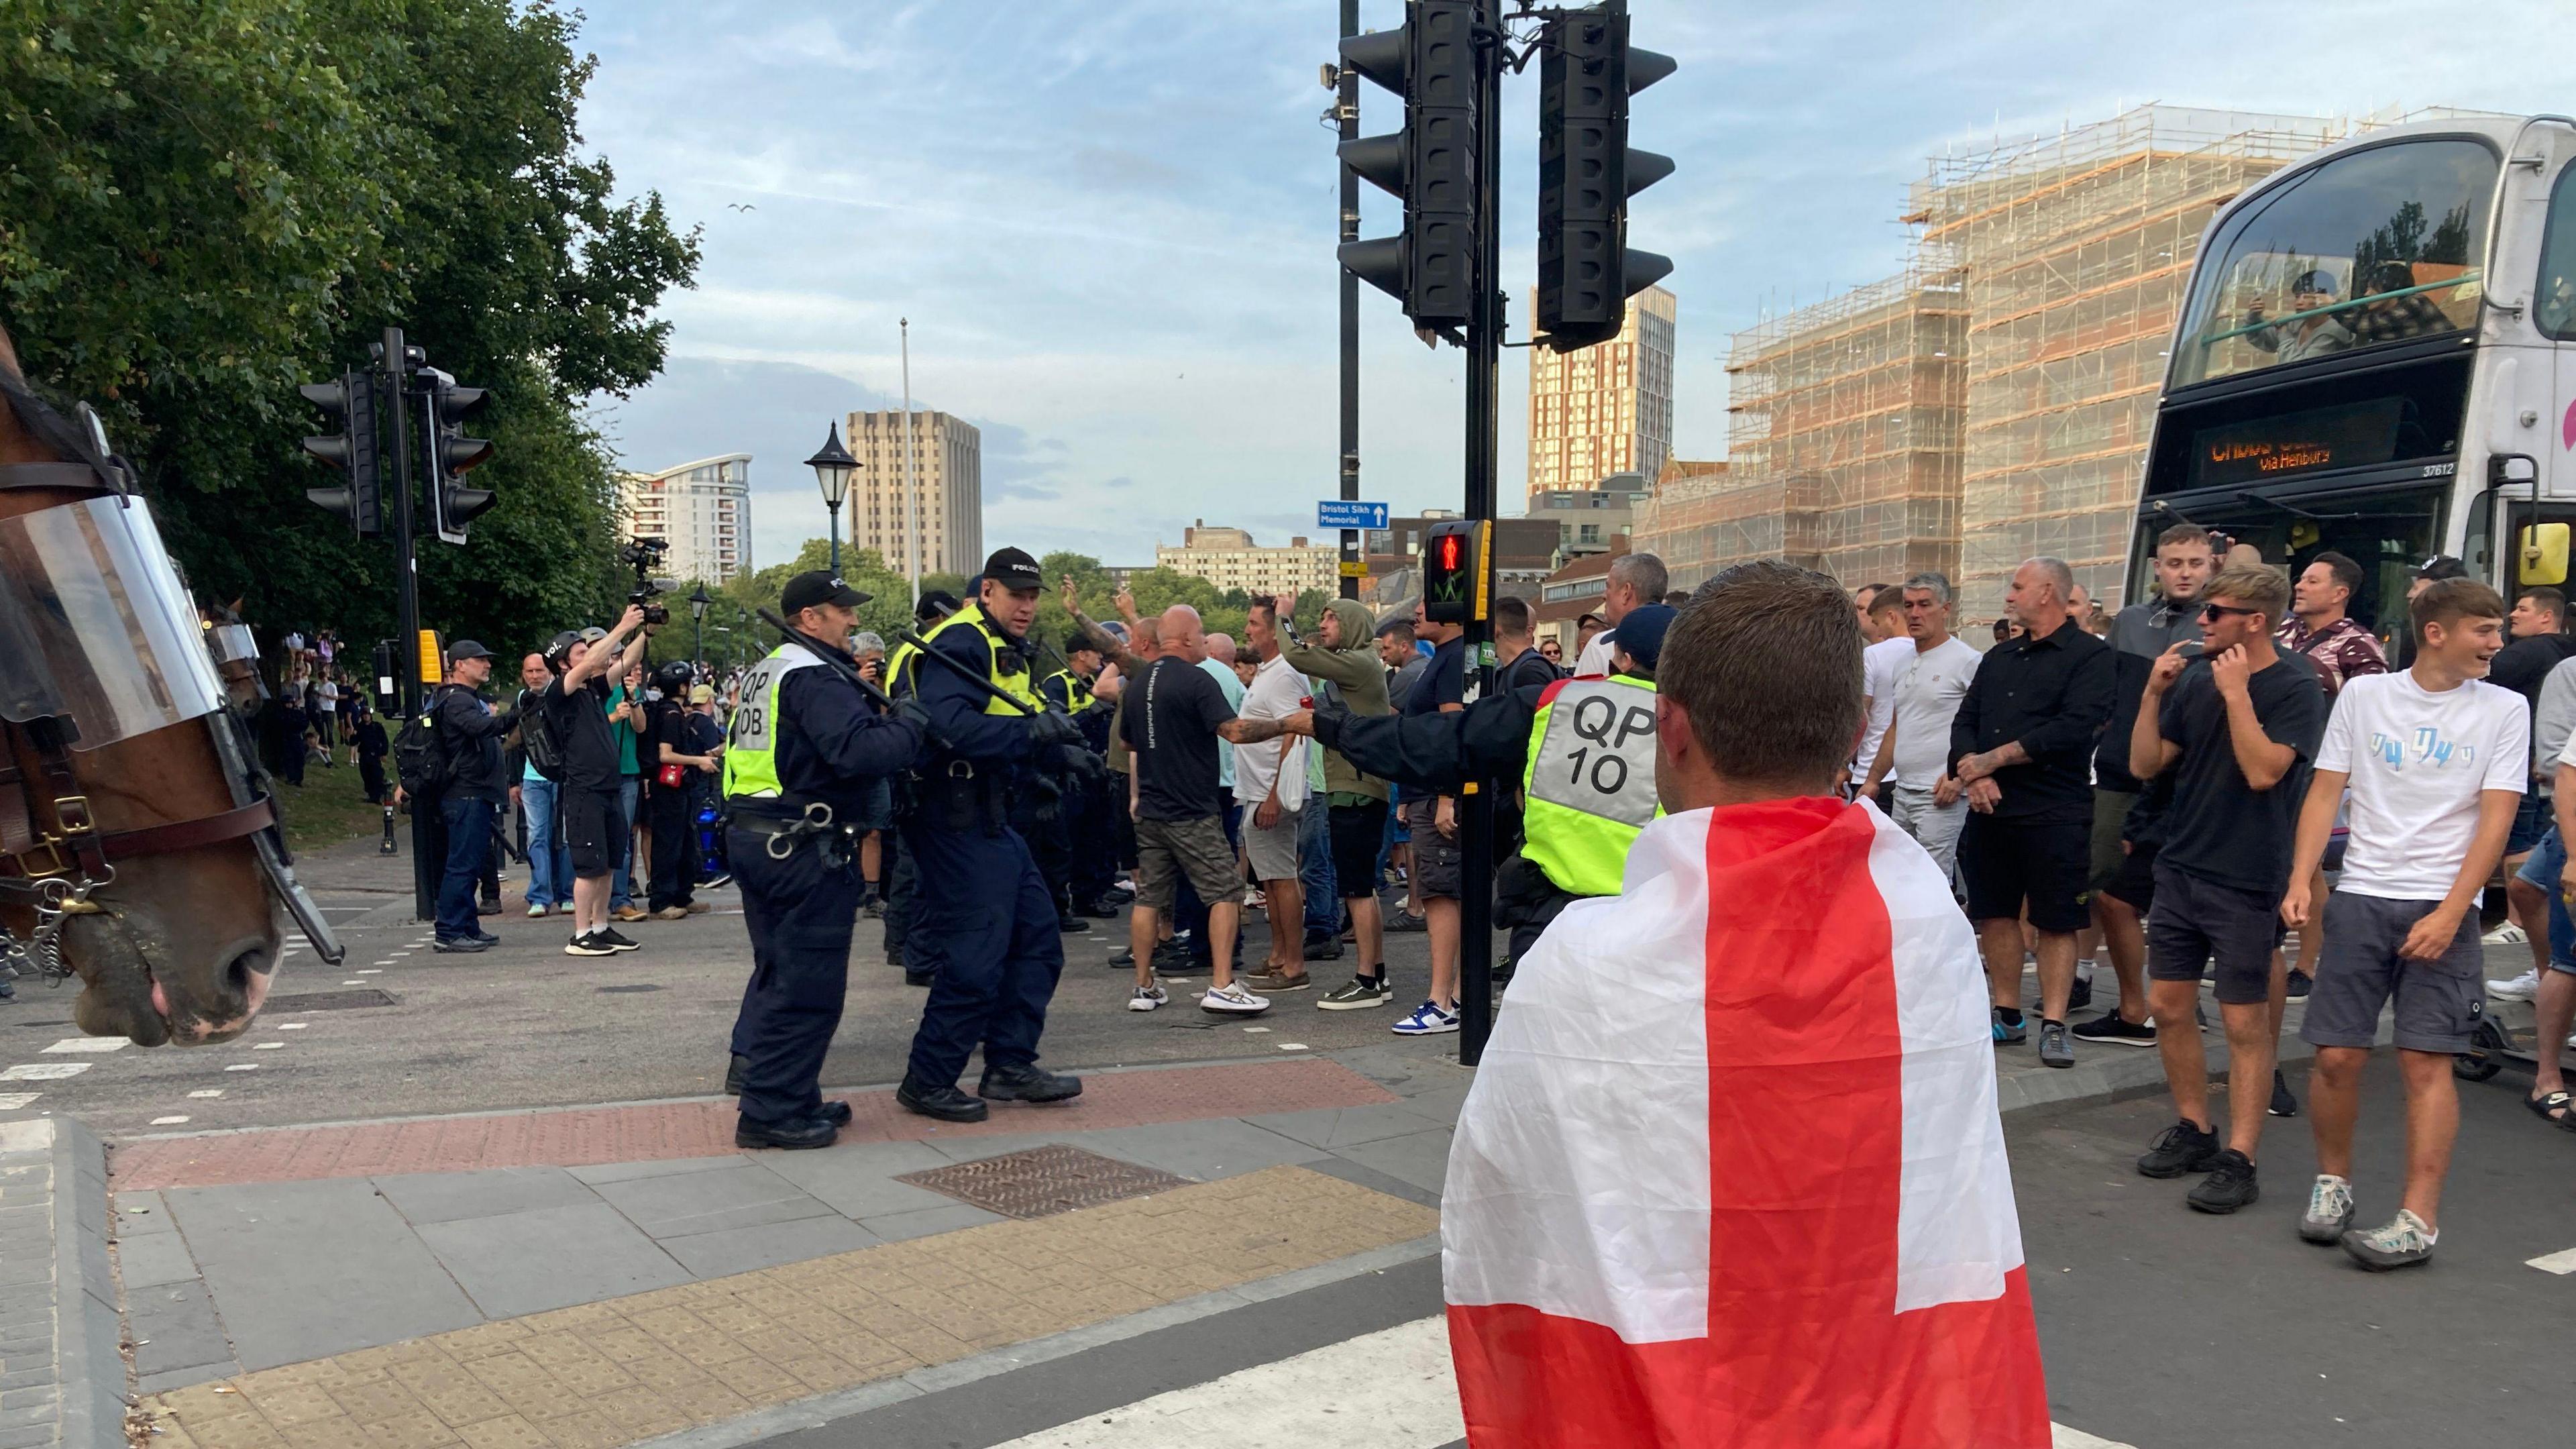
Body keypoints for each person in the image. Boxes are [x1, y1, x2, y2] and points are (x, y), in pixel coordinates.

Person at [1440, 561, 2049, 1447]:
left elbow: (1512, 1211)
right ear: (1852, 733)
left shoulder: (1578, 964)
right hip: (1880, 1397)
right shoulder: (1930, 928)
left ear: (1672, 728)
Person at [2287, 579, 2522, 1269]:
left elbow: (2498, 815)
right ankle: (2333, 1185)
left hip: (2441, 903)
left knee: (2427, 1061)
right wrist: (2303, 877)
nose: (2497, 642)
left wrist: (2455, 912)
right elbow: (2326, 787)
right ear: (2438, 633)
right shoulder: (2365, 697)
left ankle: (2418, 1220)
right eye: (2484, 629)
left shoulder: (2504, 709)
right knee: (2335, 1055)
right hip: (2362, 894)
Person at [2125, 565, 2327, 1212]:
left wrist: (2238, 695)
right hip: (2181, 866)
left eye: (2216, 612)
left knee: (2245, 1024)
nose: (2201, 622)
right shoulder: (2194, 679)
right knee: (2170, 1006)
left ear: (2255, 621)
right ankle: (2196, 1128)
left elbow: (2267, 772)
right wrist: (2153, 695)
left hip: (2247, 874)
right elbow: (2145, 764)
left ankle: (2241, 1157)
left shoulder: (2296, 685)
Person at [719, 572, 924, 1150]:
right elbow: (857, 753)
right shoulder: (816, 676)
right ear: (810, 618)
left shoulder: (771, 670)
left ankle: (791, 1092)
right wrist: (909, 727)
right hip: (802, 846)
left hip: (761, 835)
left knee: (780, 971)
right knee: (806, 982)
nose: (853, 621)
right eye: (843, 611)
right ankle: (770, 1112)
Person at [898, 548, 1093, 1123]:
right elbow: (950, 728)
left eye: (1033, 596)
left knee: (1037, 940)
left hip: (991, 816)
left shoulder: (1001, 645)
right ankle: (928, 1078)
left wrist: (1054, 755)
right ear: (988, 591)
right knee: (977, 956)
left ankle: (1009, 1064)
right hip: (952, 817)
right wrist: (1035, 737)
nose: (1028, 606)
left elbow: (1006, 722)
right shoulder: (962, 642)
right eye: (1017, 595)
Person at [1951, 557, 2115, 1069]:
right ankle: (2007, 1014)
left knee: (2056, 918)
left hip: (2056, 809)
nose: (2009, 595)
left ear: (2047, 592)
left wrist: (1994, 759)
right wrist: (1974, 776)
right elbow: (1966, 720)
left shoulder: (2090, 657)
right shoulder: (1998, 658)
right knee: (1994, 914)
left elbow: (2073, 727)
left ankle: (2055, 1023)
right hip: (1990, 809)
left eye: (2017, 586)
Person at [2073, 525, 2212, 1051]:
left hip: (2189, 784)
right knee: (2105, 884)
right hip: (2121, 776)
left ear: (2210, 566)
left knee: (2184, 894)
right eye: (2175, 562)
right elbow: (2109, 693)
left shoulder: (2217, 626)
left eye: (2195, 563)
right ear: (2158, 566)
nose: (2184, 572)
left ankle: (2180, 996)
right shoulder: (2130, 622)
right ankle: (2114, 992)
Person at [2275, 550, 2390, 995]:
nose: (2300, 586)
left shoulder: (2358, 644)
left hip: (2320, 764)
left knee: (2306, 866)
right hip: (2273, 754)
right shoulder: (2282, 630)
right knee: (2283, 861)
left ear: (2340, 593)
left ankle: (2308, 964)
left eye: (2312, 581)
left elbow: (2374, 711)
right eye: (2300, 580)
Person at [1280, 595, 1398, 1010]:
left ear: (1351, 625)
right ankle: (1376, 974)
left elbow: (1297, 655)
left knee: (1356, 886)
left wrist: (1283, 617)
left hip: (1357, 787)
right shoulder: (1356, 664)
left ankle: (1367, 979)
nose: (1325, 623)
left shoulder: (1360, 662)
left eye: (1333, 618)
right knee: (1359, 885)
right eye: (1324, 617)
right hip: (1351, 785)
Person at [539, 608, 654, 958]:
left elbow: (625, 662)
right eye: (578, 651)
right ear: (563, 663)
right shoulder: (561, 691)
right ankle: (580, 934)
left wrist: (644, 633)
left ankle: (601, 927)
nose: (589, 653)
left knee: (608, 863)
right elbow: (592, 662)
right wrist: (622, 625)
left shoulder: (592, 690)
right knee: (589, 865)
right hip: (583, 789)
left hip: (608, 787)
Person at [1861, 573, 1981, 887]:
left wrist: (1958, 776)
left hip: (1941, 794)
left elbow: (1986, 723)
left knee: (1932, 883)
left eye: (1924, 605)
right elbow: (1897, 726)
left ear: (1945, 609)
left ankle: (1946, 934)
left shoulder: (1967, 661)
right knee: (1898, 879)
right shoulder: (1902, 662)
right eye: (1909, 605)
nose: (1915, 613)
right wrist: (1873, 780)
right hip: (1903, 789)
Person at [2485, 586, 2576, 960]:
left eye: (2522, 608)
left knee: (2518, 841)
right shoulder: (2566, 654)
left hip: (2533, 766)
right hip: (2552, 775)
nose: (2512, 616)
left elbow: (2482, 680)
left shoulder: (2530, 654)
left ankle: (2517, 926)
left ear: (2547, 617)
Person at [1234, 597, 1316, 993]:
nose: (1248, 630)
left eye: (1253, 623)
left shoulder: (1285, 673)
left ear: (1272, 629)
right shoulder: (1269, 671)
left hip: (1273, 792)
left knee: (1282, 878)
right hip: (1259, 789)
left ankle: (1294, 964)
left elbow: (1296, 730)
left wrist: (1273, 795)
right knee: (1270, 879)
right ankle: (1279, 956)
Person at [1397, 597, 1468, 1034]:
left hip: (1438, 797)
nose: (1415, 614)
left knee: (1441, 894)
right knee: (1443, 892)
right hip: (1424, 794)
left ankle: (1442, 1001)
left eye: (1426, 605)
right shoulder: (1444, 657)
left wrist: (1446, 796)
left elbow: (1454, 731)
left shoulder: (1457, 657)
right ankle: (1454, 996)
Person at [883, 590, 961, 983]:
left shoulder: (915, 648)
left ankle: (904, 945)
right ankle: (908, 949)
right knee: (915, 865)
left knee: (912, 863)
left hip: (912, 762)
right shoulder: (930, 647)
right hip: (920, 766)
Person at [427, 641, 511, 953]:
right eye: (480, 660)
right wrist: (515, 715)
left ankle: (466, 926)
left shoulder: (465, 699)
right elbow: (481, 728)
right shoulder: (457, 701)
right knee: (461, 865)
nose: (486, 665)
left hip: (473, 793)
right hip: (465, 794)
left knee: (471, 864)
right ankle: (449, 932)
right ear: (459, 665)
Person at [645, 660, 716, 920]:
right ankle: (662, 899)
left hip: (678, 786)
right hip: (668, 787)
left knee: (686, 841)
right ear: (684, 686)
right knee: (669, 843)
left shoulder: (670, 711)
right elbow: (666, 754)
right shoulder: (672, 715)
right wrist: (699, 761)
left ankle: (682, 894)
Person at [512, 652, 572, 918]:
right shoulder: (522, 699)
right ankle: (540, 895)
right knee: (537, 836)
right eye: (529, 672)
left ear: (549, 672)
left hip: (562, 775)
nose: (535, 676)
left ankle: (567, 893)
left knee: (566, 837)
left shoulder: (561, 694)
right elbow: (517, 742)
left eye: (539, 671)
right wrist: (514, 781)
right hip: (533, 778)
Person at [1852, 588, 1912, 802]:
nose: (1879, 631)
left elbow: (1860, 715)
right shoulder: (1926, 653)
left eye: (1877, 623)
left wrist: (1842, 765)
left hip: (1871, 771)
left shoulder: (1872, 655)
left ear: (1891, 617)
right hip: (1912, 774)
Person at [1574, 551, 1668, 676]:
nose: (1604, 595)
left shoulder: (1600, 646)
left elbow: (1583, 695)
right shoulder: (1685, 640)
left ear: (1626, 592)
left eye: (1608, 587)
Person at [2243, 268, 2357, 364]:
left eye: (2306, 297)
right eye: (2297, 297)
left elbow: (2300, 369)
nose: (2299, 302)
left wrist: (2283, 333)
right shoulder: (2296, 323)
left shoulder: (2333, 331)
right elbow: (2261, 338)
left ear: (2324, 299)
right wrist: (2254, 316)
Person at [606, 660, 649, 924]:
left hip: (628, 771)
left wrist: (634, 701)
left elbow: (641, 727)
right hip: (599, 772)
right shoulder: (590, 689)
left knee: (623, 839)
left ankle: (621, 898)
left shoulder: (628, 689)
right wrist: (613, 717)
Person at [352, 698, 389, 805]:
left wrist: (384, 753)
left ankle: (379, 795)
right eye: (364, 715)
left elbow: (384, 740)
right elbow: (353, 742)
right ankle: (371, 795)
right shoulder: (360, 727)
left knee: (377, 775)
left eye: (368, 715)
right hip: (364, 754)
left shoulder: (377, 726)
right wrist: (354, 734)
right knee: (366, 775)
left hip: (375, 754)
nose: (366, 716)